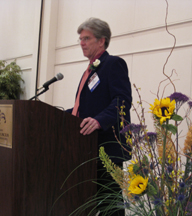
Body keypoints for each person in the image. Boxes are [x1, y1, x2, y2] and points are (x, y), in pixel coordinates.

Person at [67, 17, 132, 216]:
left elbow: (122, 100)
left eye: (86, 38)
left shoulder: (113, 64)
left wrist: (99, 120)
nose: (82, 43)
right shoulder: (91, 69)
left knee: (109, 204)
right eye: (80, 39)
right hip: (87, 148)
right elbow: (84, 108)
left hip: (106, 147)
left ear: (101, 40)